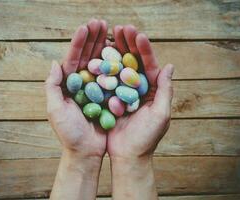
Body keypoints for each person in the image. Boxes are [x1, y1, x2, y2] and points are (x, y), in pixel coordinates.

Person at [45, 19, 174, 200]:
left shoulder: (118, 85)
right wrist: (79, 154)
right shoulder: (102, 86)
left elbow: (116, 78)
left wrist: (80, 156)